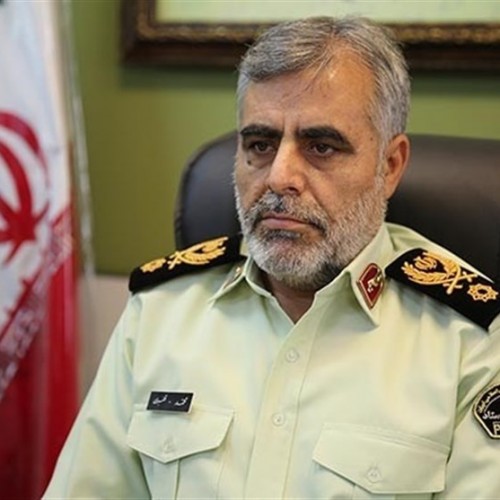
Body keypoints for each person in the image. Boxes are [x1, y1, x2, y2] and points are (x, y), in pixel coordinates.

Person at [44, 16, 500, 499]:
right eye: (259, 145)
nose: (280, 176)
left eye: (321, 147)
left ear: (389, 166)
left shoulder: (470, 343)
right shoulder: (160, 312)